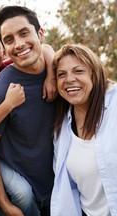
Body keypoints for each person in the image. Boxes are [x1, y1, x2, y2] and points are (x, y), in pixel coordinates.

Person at [0, 6, 57, 216]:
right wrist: (5, 203)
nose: (19, 44)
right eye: (10, 39)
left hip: (60, 194)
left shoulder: (62, 75)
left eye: (24, 33)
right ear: (4, 48)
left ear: (40, 33)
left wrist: (52, 74)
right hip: (20, 203)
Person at [50, 44, 117, 216]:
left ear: (94, 74)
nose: (69, 79)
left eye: (78, 71)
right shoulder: (61, 131)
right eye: (61, 75)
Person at [0, 23, 56, 140]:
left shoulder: (6, 69)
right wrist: (9, 104)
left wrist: (51, 76)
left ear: (4, 53)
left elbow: (45, 48)